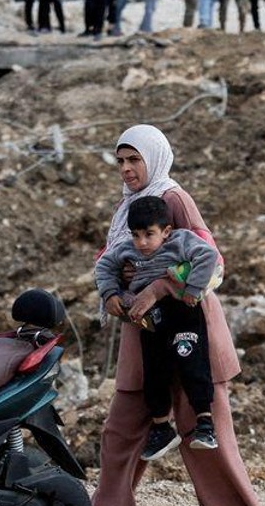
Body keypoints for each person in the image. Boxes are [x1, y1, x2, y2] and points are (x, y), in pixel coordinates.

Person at [90, 124, 261, 506]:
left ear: (155, 158)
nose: (126, 169)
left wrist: (160, 288)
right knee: (120, 433)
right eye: (120, 161)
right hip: (144, 332)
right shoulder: (128, 206)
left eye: (135, 159)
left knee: (204, 439)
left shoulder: (173, 199)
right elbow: (110, 257)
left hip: (188, 328)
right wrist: (115, 289)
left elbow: (212, 262)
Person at [94, 195, 222, 460]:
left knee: (192, 364)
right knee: (154, 372)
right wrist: (109, 294)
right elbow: (104, 265)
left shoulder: (180, 241)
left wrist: (193, 288)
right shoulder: (127, 249)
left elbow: (209, 256)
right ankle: (162, 427)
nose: (142, 243)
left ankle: (205, 425)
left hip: (183, 313)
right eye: (136, 235)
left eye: (149, 235)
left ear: (166, 231)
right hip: (150, 320)